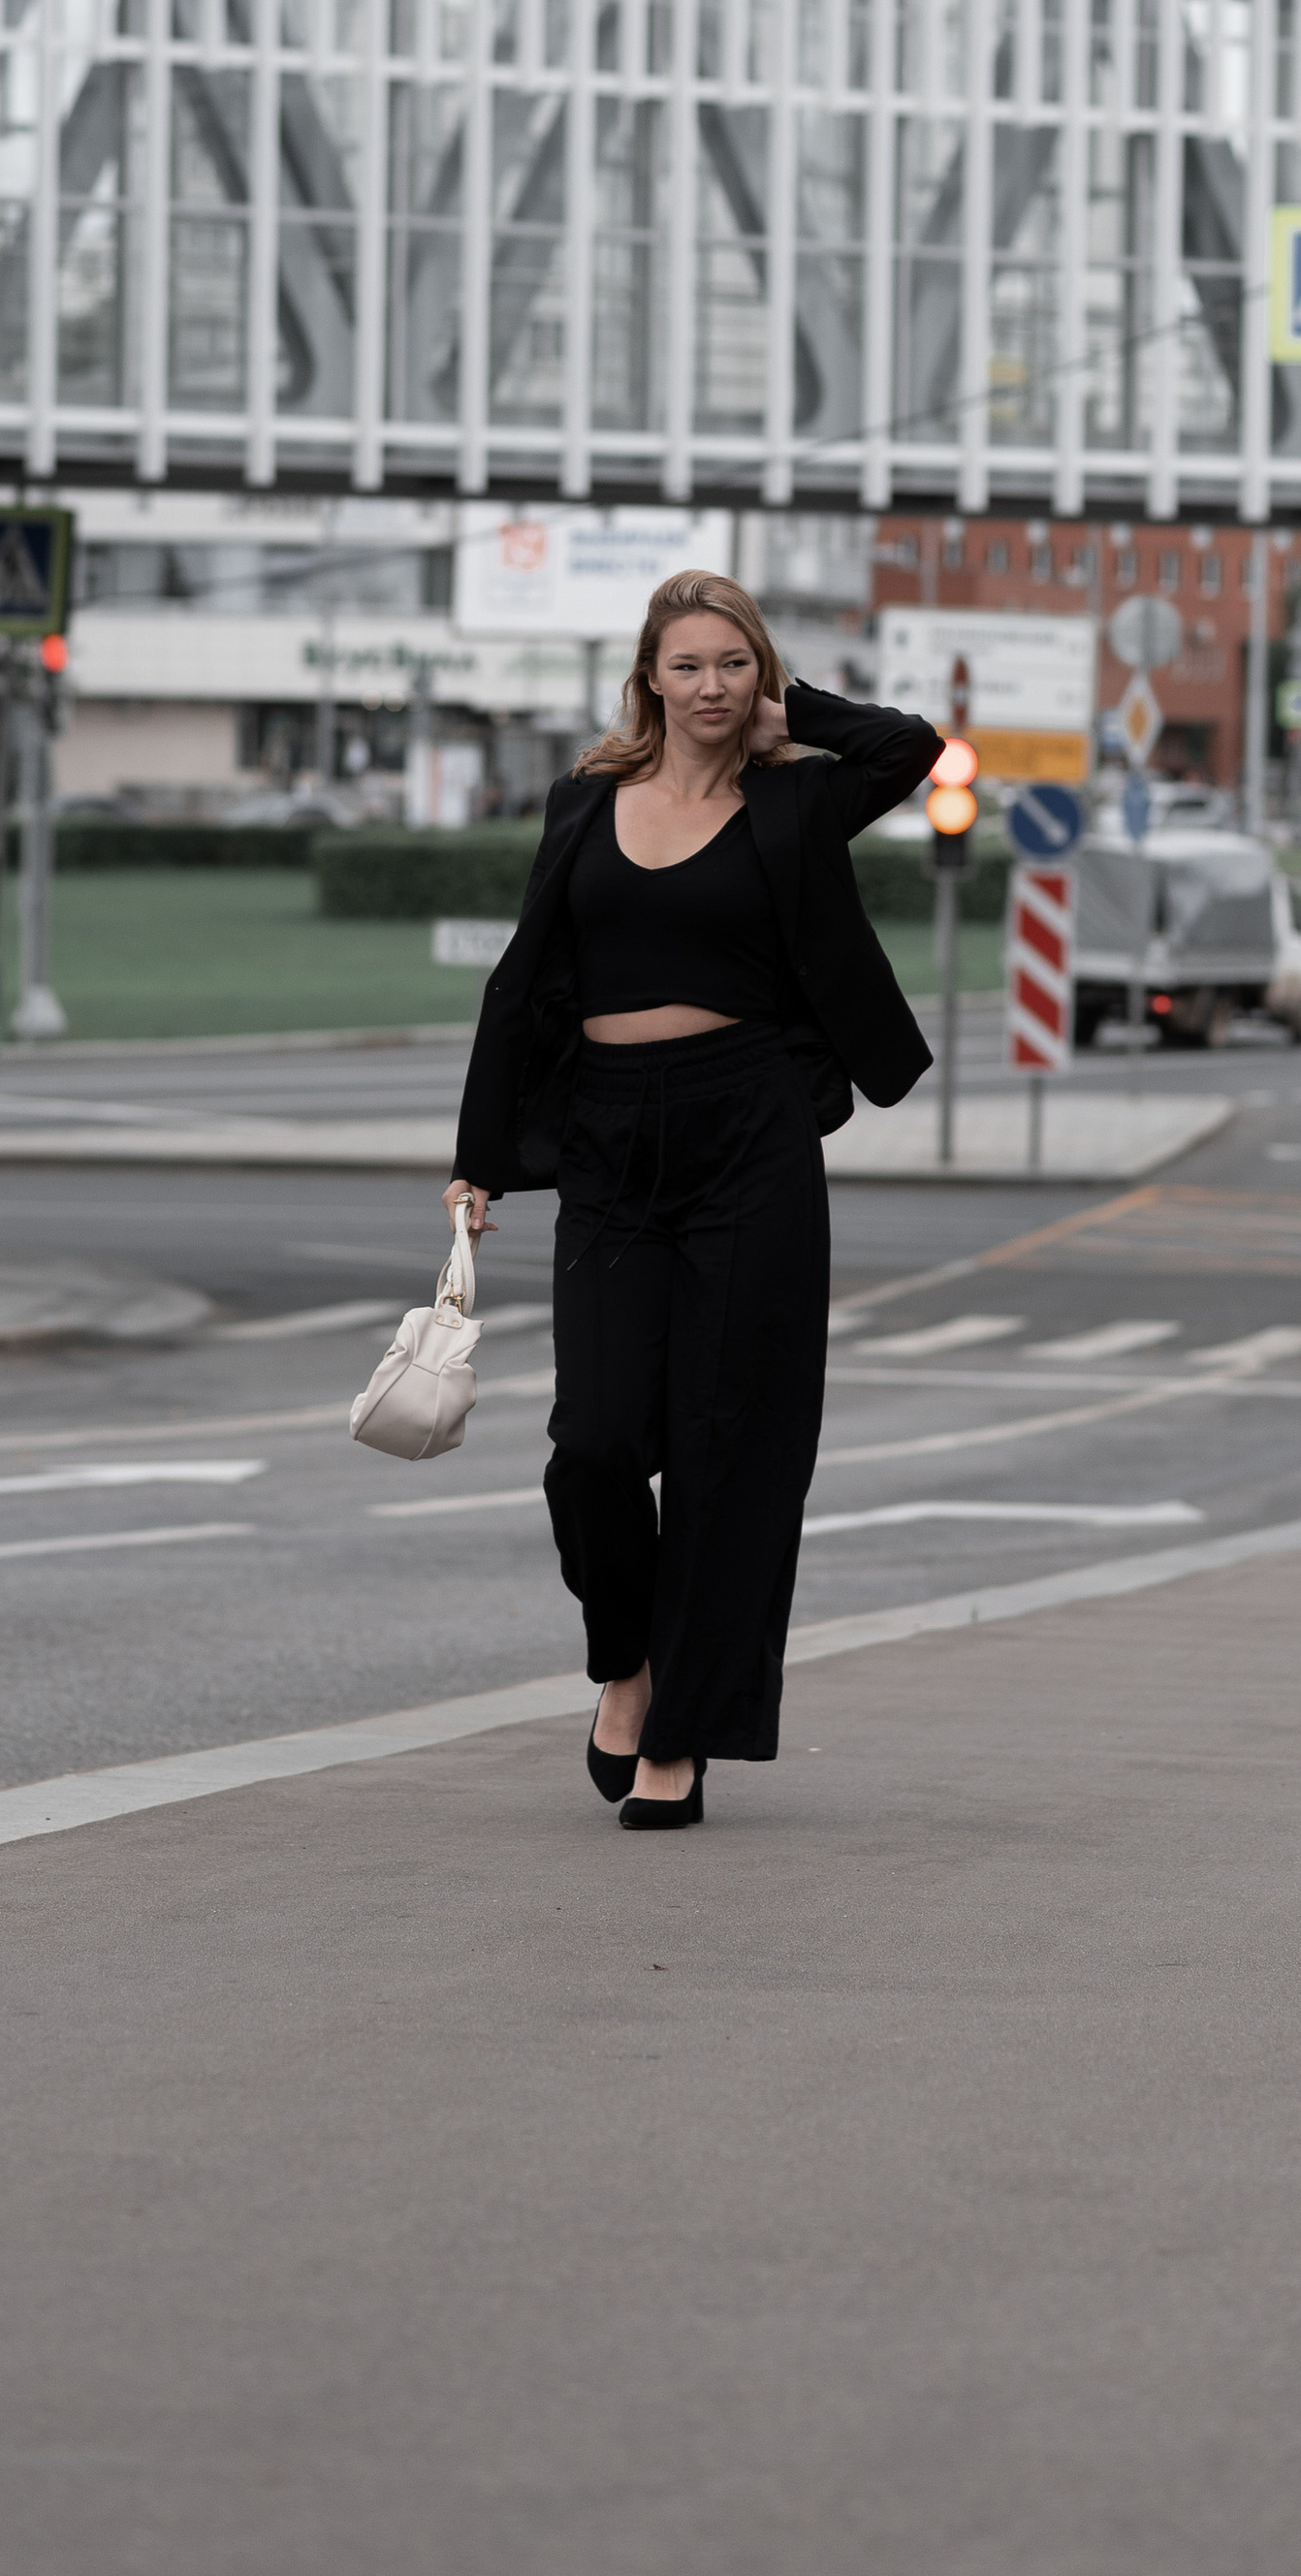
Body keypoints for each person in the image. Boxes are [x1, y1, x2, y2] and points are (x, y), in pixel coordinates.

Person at [445, 572, 942, 1831]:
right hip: (609, 1141)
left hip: (750, 1138)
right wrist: (480, 1155)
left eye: (736, 663)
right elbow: (522, 980)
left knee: (730, 1449)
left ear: (758, 676)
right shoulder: (585, 800)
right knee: (596, 1446)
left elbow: (914, 747)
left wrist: (799, 711)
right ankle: (629, 1660)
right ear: (649, 678)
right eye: (690, 664)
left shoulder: (794, 799)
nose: (712, 686)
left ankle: (680, 1737)